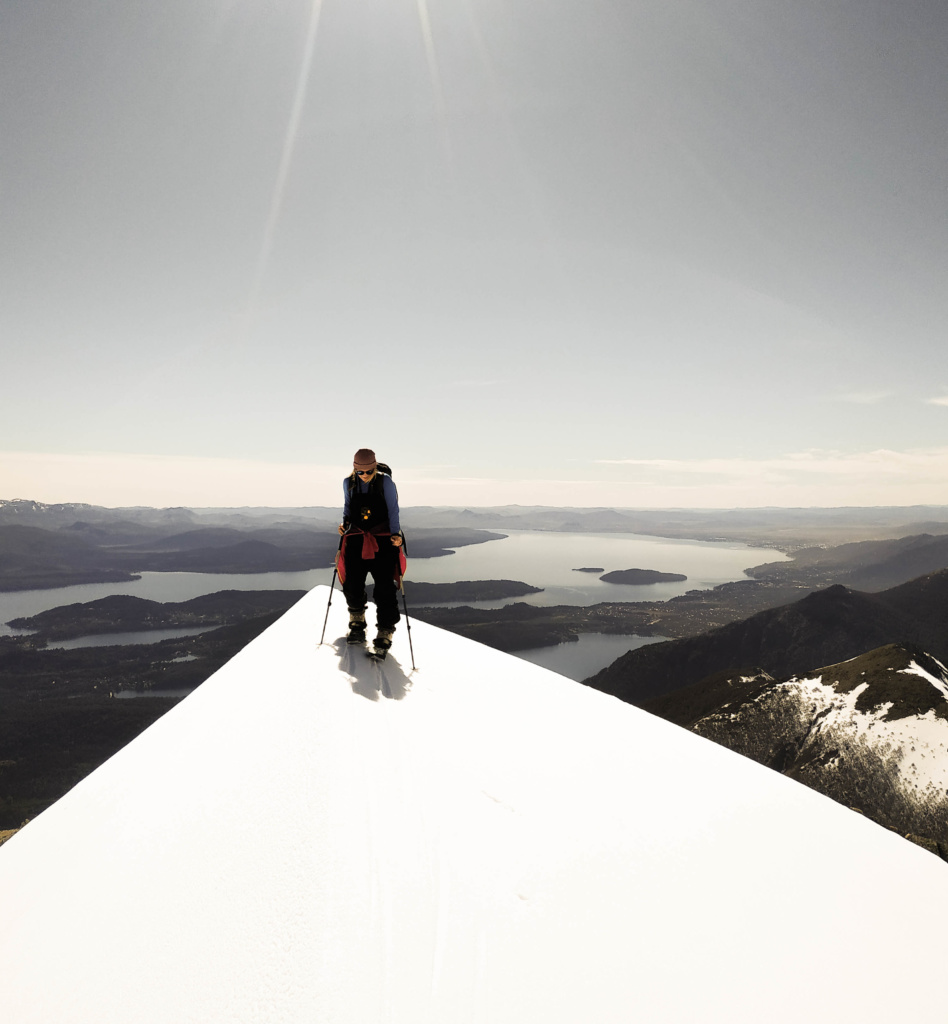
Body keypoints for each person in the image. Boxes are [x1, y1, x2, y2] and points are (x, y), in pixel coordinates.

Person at [337, 448, 403, 650]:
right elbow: (348, 507)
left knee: (384, 586)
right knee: (353, 582)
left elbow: (393, 510)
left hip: (383, 540)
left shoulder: (386, 483)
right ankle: (357, 620)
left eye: (368, 471)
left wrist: (396, 535)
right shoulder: (349, 484)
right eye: (360, 472)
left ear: (375, 467)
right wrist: (345, 524)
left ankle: (385, 629)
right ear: (355, 469)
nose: (364, 476)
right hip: (357, 537)